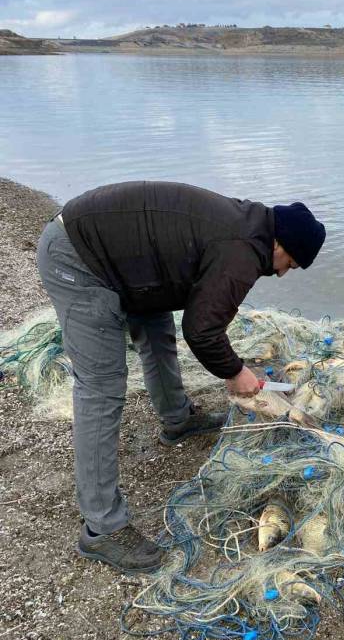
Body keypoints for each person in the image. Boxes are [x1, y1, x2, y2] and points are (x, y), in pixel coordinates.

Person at [36, 180, 326, 574]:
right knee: (101, 388)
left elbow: (198, 314)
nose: (283, 275)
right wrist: (235, 372)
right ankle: (101, 527)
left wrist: (230, 366)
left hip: (129, 264)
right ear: (282, 245)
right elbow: (202, 330)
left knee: (157, 329)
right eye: (290, 264)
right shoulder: (242, 251)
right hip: (80, 258)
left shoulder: (248, 226)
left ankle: (177, 420)